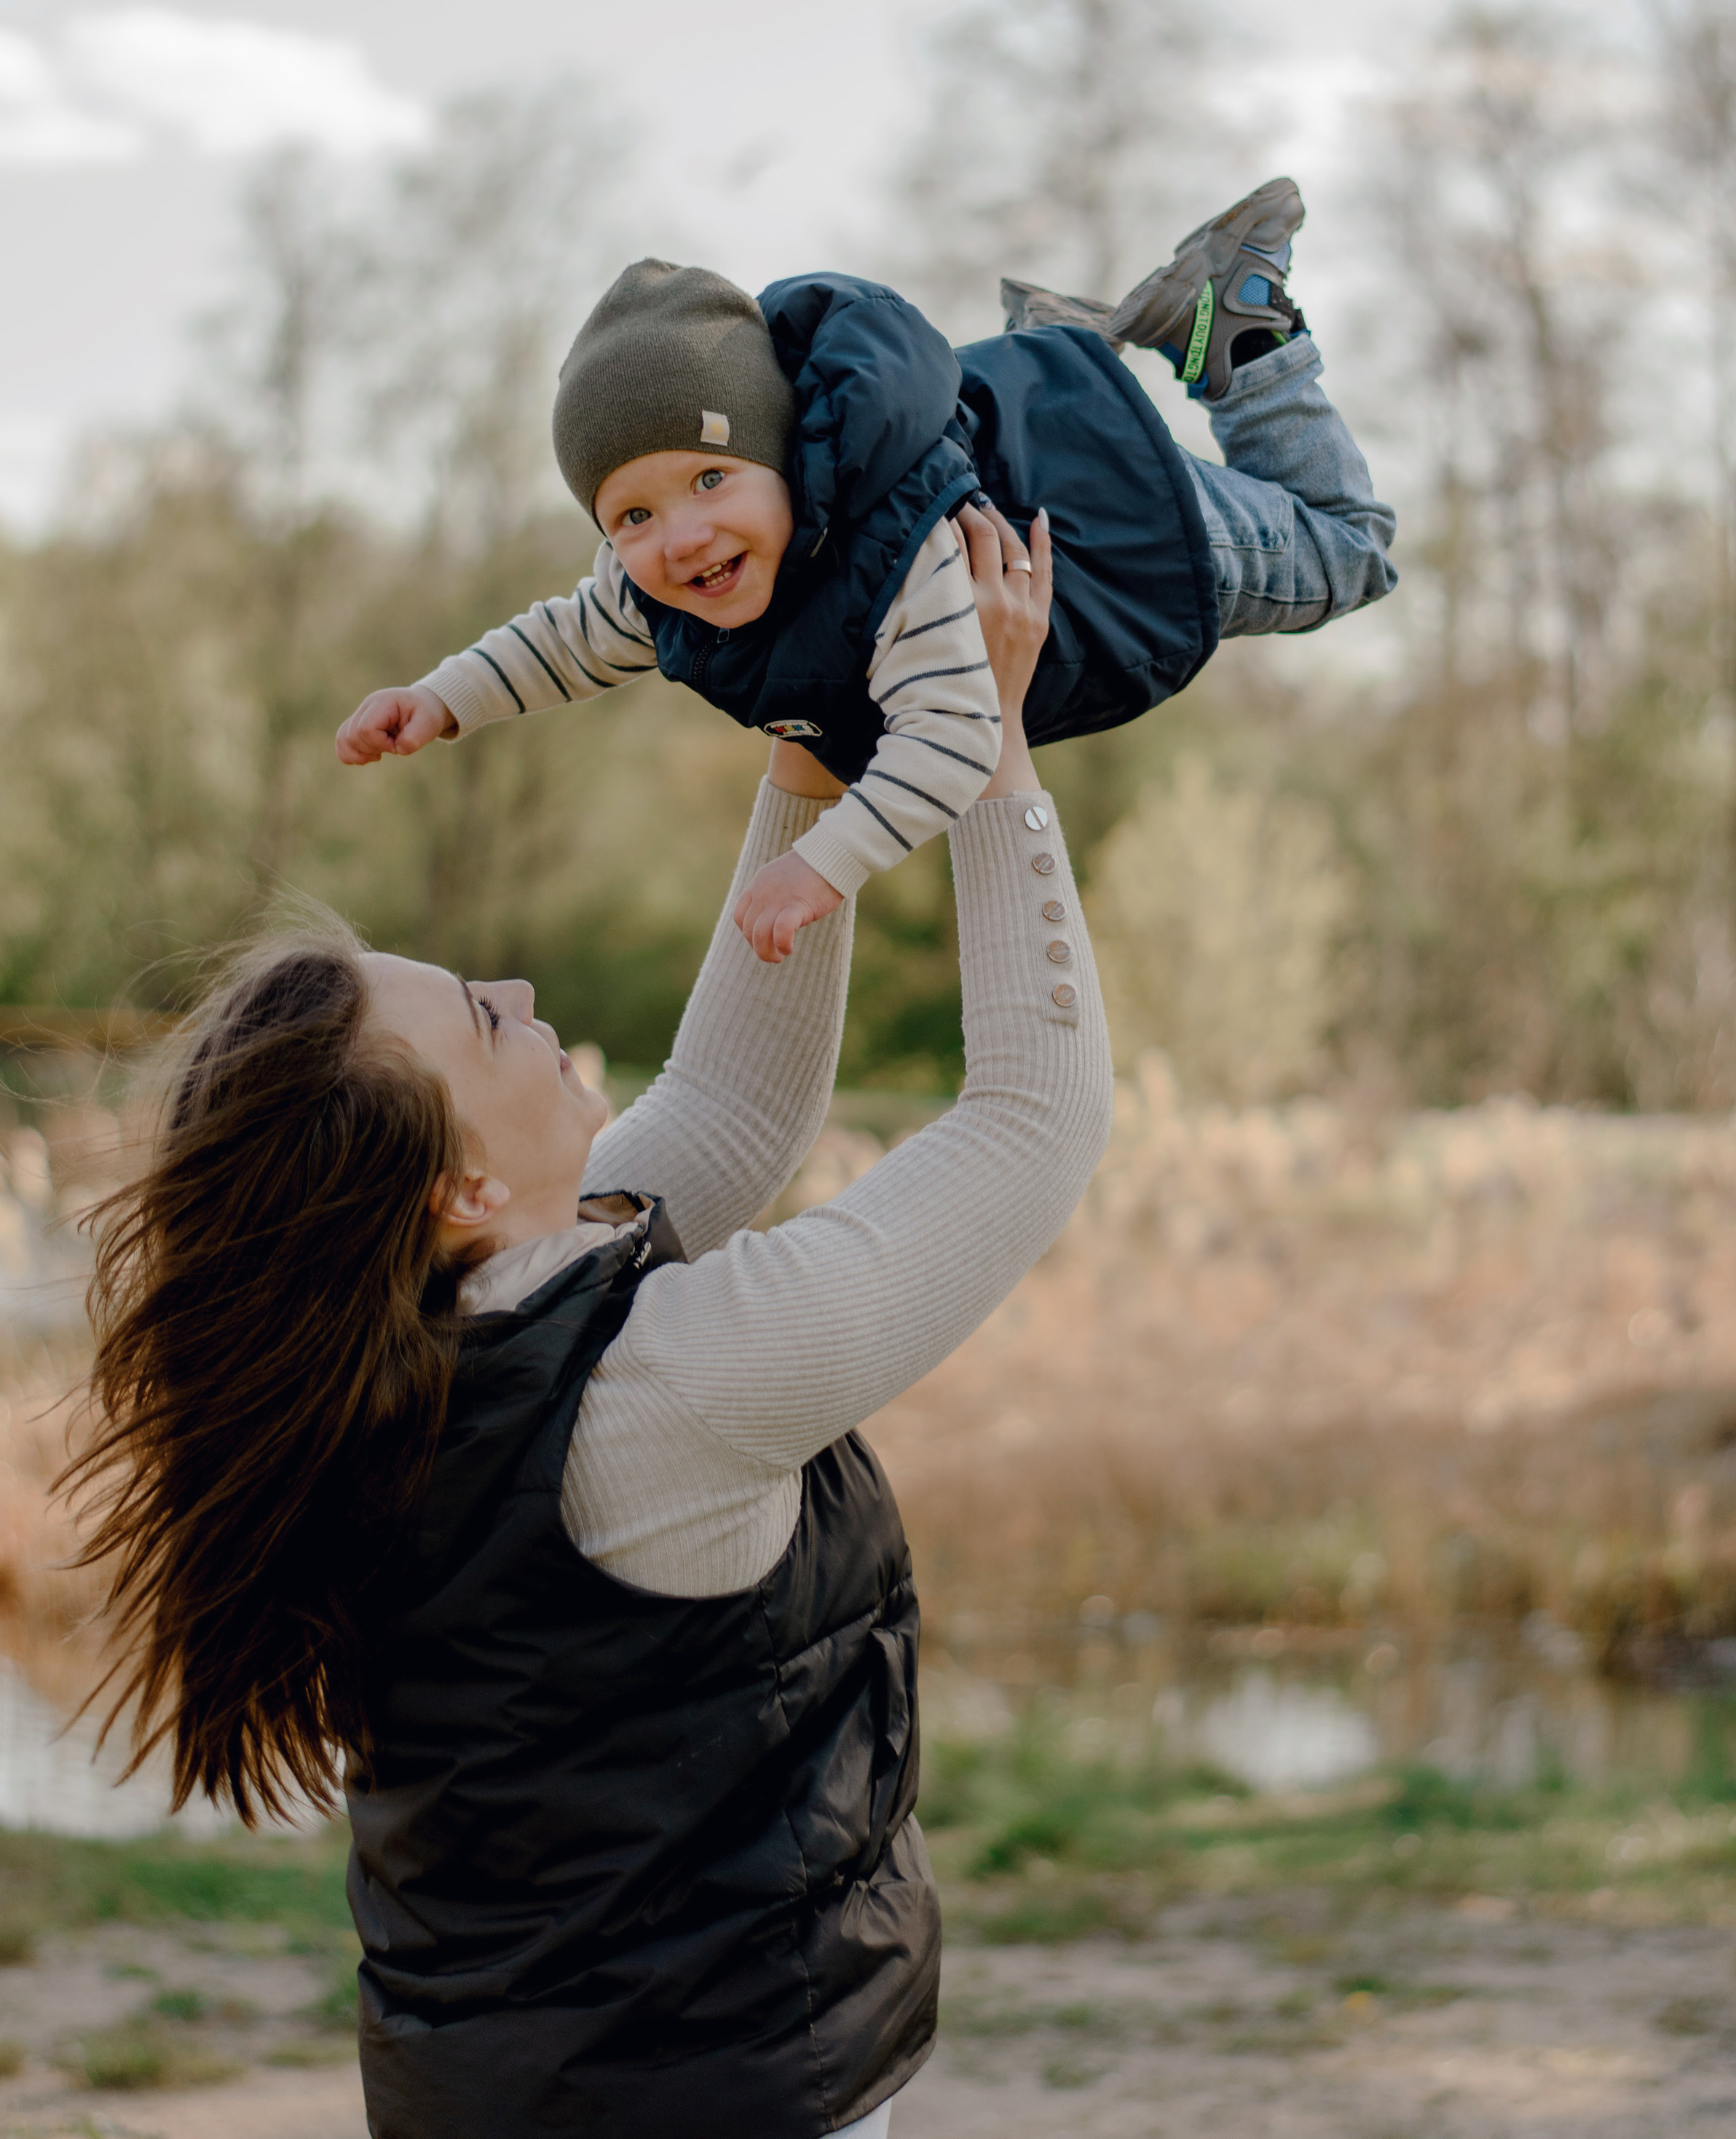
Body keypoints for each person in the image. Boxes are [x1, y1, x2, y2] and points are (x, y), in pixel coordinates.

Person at [68, 505, 1111, 2139]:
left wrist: (808, 728)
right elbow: (1031, 1122)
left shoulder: (423, 1350)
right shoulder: (651, 1391)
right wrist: (990, 746)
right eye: (487, 1024)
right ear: (460, 1188)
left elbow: (734, 1105)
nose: (529, 1001)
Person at [336, 178, 1396, 964]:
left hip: (1132, 530)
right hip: (1047, 486)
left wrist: (821, 865)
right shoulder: (654, 586)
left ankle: (1238, 327)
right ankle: (1056, 357)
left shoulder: (900, 563)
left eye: (711, 479)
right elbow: (563, 641)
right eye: (634, 514)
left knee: (1351, 549)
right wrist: (442, 698)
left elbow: (953, 739)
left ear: (783, 459)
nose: (682, 536)